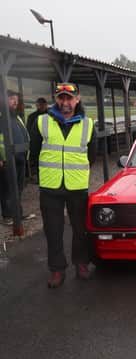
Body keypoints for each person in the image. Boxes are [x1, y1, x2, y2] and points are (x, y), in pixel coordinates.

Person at [31, 83, 97, 288]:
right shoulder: (42, 122)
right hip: (50, 187)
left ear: (77, 99)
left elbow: (92, 156)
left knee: (80, 229)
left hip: (77, 187)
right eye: (61, 98)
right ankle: (57, 269)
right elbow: (33, 153)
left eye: (69, 98)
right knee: (53, 230)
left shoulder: (88, 124)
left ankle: (81, 264)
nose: (65, 102)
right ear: (56, 99)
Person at [0, 90, 32, 225]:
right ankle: (8, 216)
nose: (15, 102)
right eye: (12, 99)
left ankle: (17, 214)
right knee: (7, 189)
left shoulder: (16, 116)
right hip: (7, 159)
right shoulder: (1, 116)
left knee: (18, 188)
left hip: (20, 158)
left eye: (16, 100)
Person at [26, 97, 49, 180]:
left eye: (43, 105)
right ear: (37, 105)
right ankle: (41, 179)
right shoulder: (31, 117)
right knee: (39, 164)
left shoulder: (52, 116)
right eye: (40, 105)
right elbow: (29, 131)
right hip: (37, 144)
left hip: (48, 143)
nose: (42, 106)